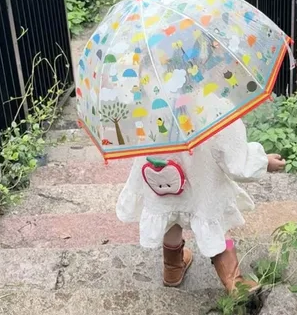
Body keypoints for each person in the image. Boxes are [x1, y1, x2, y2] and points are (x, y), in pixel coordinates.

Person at [116, 116, 285, 293]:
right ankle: (233, 280)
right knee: (217, 227)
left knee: (170, 216)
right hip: (203, 181)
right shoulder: (212, 108)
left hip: (159, 177)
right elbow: (233, 155)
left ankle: (173, 268)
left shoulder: (147, 108)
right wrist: (262, 162)